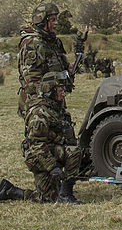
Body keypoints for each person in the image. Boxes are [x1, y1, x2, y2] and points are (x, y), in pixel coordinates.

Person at [20, 70, 82, 204]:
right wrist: (52, 167)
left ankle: (65, 192)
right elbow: (36, 144)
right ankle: (11, 191)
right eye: (60, 90)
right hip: (39, 156)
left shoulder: (55, 108)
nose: (63, 93)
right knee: (46, 198)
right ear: (50, 90)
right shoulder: (40, 113)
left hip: (51, 151)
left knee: (47, 197)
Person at [17, 2, 72, 118]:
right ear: (42, 21)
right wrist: (53, 87)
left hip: (54, 99)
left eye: (56, 19)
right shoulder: (33, 44)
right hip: (38, 105)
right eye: (52, 20)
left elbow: (59, 66)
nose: (56, 23)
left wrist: (69, 69)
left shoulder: (53, 42)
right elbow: (31, 83)